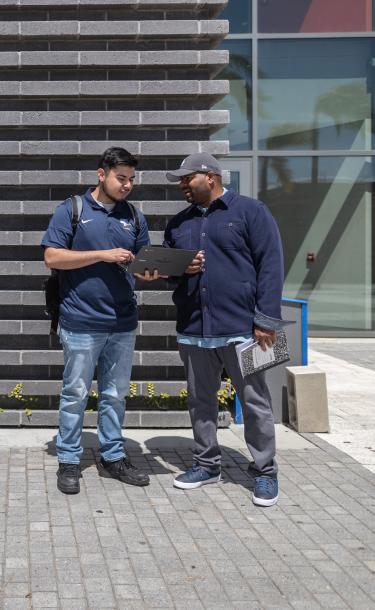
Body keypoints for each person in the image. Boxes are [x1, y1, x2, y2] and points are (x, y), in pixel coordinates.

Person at [164, 152, 284, 507]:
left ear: (211, 176)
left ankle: (265, 472)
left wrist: (266, 321)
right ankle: (206, 465)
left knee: (255, 402)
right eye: (181, 181)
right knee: (200, 402)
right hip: (194, 329)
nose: (183, 186)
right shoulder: (178, 223)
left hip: (245, 330)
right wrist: (171, 271)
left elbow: (271, 266)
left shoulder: (251, 211)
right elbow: (170, 271)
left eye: (188, 179)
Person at [41, 147, 158, 494]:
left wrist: (150, 271)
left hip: (123, 322)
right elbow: (52, 257)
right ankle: (68, 460)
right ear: (101, 174)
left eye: (131, 179)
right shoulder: (72, 210)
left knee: (115, 395)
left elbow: (141, 263)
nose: (127, 185)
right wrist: (102, 255)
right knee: (75, 393)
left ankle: (113, 456)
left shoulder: (134, 217)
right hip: (80, 321)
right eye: (121, 178)